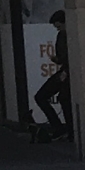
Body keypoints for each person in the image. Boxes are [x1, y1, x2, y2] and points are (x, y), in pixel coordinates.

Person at [32, 9, 71, 143]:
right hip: (67, 71)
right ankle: (65, 129)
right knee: (63, 99)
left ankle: (60, 128)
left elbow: (66, 57)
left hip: (66, 72)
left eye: (59, 26)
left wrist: (63, 67)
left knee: (48, 97)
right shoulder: (65, 35)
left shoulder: (64, 36)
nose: (58, 29)